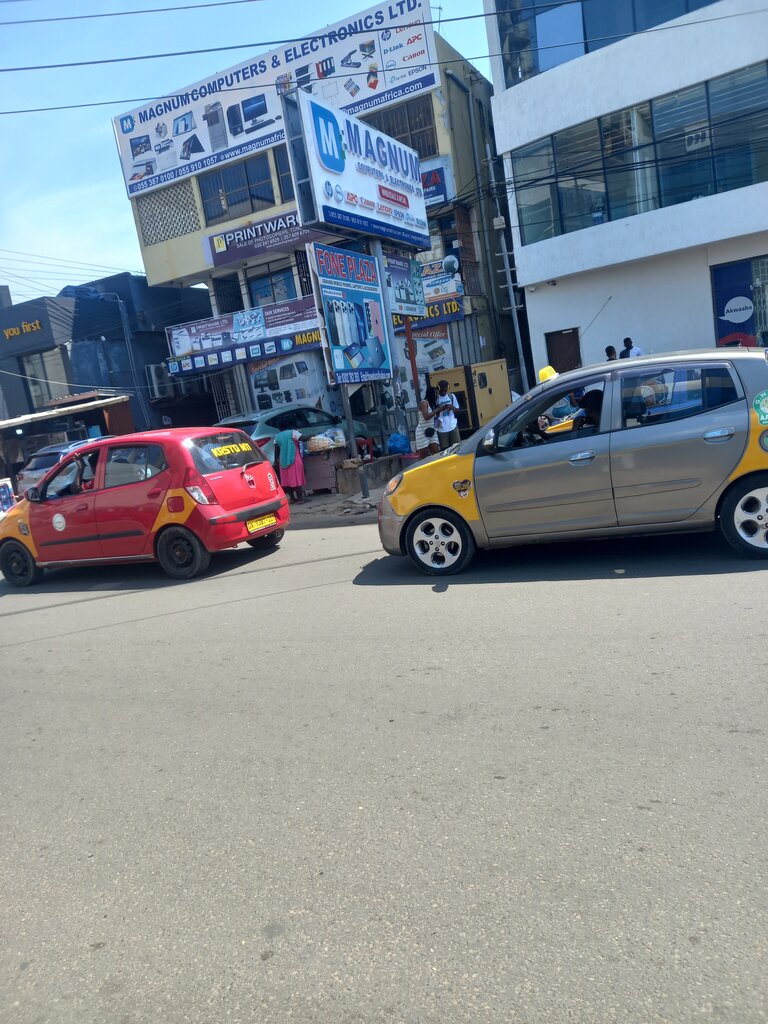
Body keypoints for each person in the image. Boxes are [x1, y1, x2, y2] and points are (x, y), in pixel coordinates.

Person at [273, 429, 306, 503]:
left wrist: (275, 461)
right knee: (297, 479)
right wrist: (312, 435)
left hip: (283, 460)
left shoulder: (277, 437)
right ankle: (300, 499)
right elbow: (304, 438)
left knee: (286, 480)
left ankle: (292, 498)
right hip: (294, 458)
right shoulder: (293, 432)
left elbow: (276, 450)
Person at [414, 385, 440, 458]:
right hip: (422, 431)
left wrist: (440, 410)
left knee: (436, 452)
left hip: (431, 430)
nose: (437, 396)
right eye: (436, 394)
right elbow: (426, 417)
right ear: (431, 394)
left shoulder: (432, 404)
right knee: (424, 456)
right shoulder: (424, 403)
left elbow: (435, 418)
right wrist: (436, 410)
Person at [435, 380, 461, 450]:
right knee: (444, 450)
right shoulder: (436, 399)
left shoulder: (451, 396)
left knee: (457, 447)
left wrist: (452, 408)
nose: (444, 392)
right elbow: (434, 414)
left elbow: (458, 410)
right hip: (442, 428)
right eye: (442, 391)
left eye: (445, 390)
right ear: (438, 389)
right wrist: (440, 409)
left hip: (453, 426)